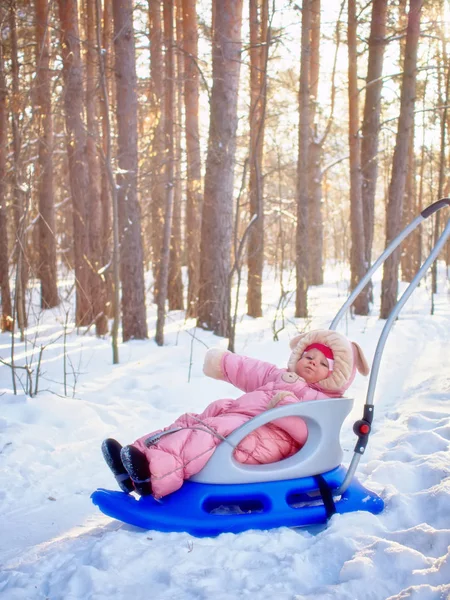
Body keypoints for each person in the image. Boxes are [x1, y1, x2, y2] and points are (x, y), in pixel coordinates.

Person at [102, 329, 369, 499]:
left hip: (269, 441)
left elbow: (312, 432)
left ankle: (152, 477)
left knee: (207, 438)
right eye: (309, 356)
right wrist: (222, 362)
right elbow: (249, 369)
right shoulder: (281, 376)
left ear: (335, 376)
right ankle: (132, 461)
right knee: (191, 422)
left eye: (323, 363)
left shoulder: (323, 400)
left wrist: (284, 408)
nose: (313, 362)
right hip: (242, 422)